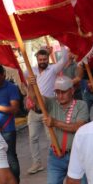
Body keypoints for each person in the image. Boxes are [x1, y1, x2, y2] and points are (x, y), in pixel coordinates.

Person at [25, 75, 88, 184]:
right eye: (57, 92)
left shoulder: (81, 105)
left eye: (63, 92)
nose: (60, 95)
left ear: (72, 90)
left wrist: (55, 123)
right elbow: (35, 99)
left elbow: (79, 127)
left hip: (77, 157)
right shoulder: (51, 103)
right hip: (55, 156)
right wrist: (31, 85)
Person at [26, 46, 70, 175]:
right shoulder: (30, 71)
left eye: (45, 59)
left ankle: (56, 160)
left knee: (51, 137)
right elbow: (19, 74)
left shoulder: (53, 69)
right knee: (33, 138)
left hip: (48, 110)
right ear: (37, 59)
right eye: (40, 59)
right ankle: (37, 163)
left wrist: (63, 43)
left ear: (48, 59)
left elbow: (64, 59)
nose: (43, 61)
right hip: (34, 111)